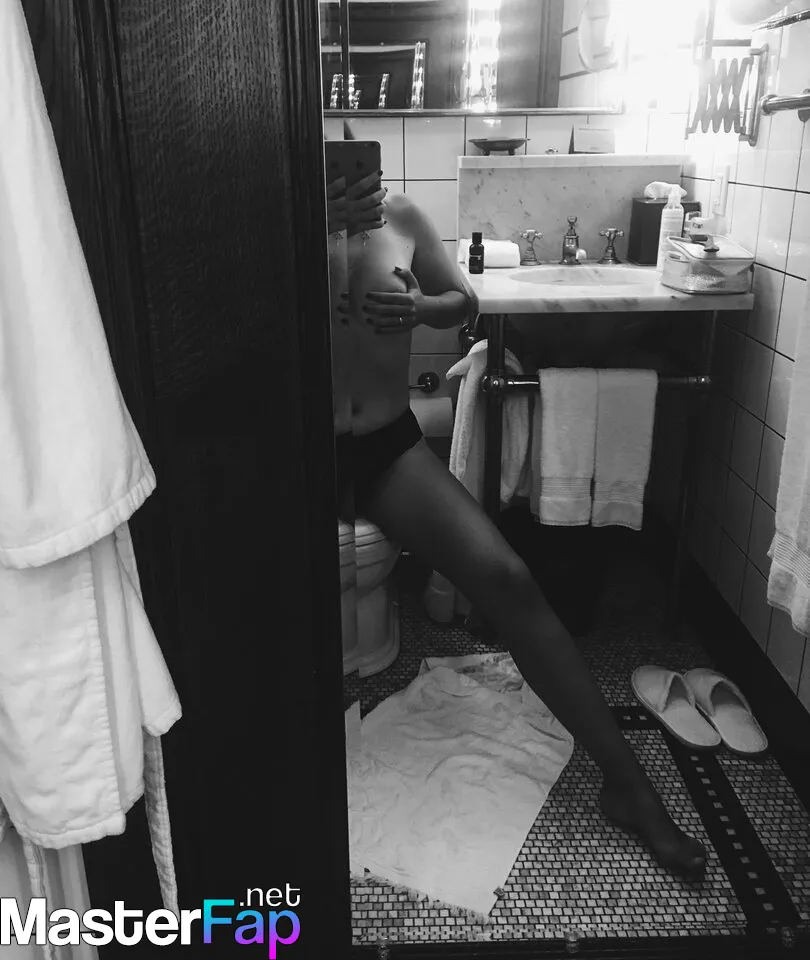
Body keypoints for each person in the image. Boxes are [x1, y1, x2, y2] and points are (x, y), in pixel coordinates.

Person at [325, 155, 707, 878]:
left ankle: (628, 785)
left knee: (507, 578)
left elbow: (463, 301)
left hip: (386, 447)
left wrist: (421, 308)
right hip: (296, 452)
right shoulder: (275, 227)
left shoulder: (401, 218)